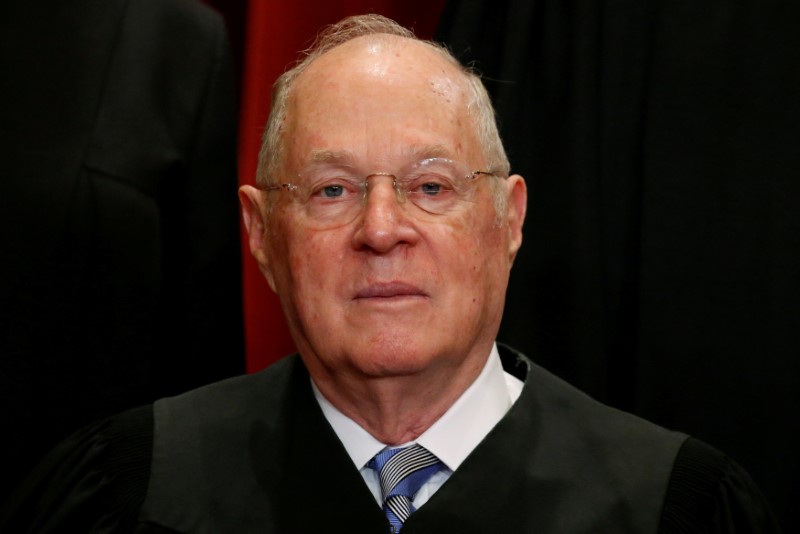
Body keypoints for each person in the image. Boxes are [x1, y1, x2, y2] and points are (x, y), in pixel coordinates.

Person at [0, 14, 779, 533]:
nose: (381, 230)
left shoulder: (673, 507)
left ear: (508, 220)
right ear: (261, 233)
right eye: (331, 190)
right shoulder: (127, 494)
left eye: (431, 186)